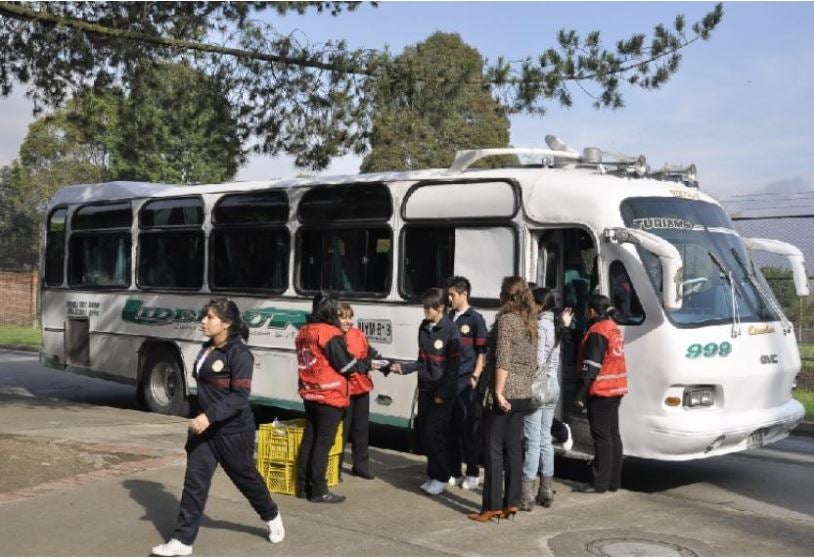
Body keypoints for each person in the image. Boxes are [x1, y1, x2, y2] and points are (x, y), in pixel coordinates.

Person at [151, 298, 284, 557]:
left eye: (210, 317)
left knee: (245, 478)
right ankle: (182, 540)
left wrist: (209, 416)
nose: (203, 321)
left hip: (233, 431)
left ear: (226, 323)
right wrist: (201, 418)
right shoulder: (206, 349)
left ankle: (271, 514)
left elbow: (240, 397)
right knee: (194, 483)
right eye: (204, 316)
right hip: (205, 432)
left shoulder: (239, 354)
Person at [468, 277, 538, 523]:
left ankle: (492, 506)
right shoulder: (530, 321)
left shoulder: (507, 320)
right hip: (523, 393)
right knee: (514, 448)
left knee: (493, 449)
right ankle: (512, 502)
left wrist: (497, 392)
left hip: (505, 393)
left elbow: (502, 360)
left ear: (506, 296)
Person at [296, 294, 366, 503]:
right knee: (323, 443)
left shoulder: (304, 330)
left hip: (310, 392)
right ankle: (319, 490)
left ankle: (302, 486)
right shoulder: (329, 332)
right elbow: (345, 365)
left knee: (309, 440)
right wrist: (366, 365)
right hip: (329, 395)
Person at [390, 288, 461, 496]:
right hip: (425, 388)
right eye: (424, 307)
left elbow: (453, 368)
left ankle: (442, 476)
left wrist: (443, 392)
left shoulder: (451, 330)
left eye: (429, 307)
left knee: (434, 432)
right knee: (425, 432)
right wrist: (405, 368)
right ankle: (432, 474)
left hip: (441, 391)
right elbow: (422, 360)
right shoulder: (424, 327)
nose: (425, 311)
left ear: (440, 308)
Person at [520, 287, 573, 511]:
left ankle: (526, 496)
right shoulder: (557, 324)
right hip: (553, 385)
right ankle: (546, 490)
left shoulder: (541, 326)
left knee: (532, 441)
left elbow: (538, 361)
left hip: (539, 386)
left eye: (531, 301)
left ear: (540, 304)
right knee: (545, 439)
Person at [574, 294, 628, 494]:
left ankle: (599, 482)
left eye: (586, 309)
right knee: (613, 435)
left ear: (591, 310)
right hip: (617, 387)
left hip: (601, 390)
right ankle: (613, 481)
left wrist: (580, 394)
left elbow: (591, 366)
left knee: (601, 437)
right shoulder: (613, 327)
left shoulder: (597, 331)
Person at [446, 276, 489, 490]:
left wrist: (475, 376)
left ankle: (472, 472)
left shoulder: (475, 319)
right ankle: (455, 471)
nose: (449, 298)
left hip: (466, 382)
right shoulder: (449, 317)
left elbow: (482, 351)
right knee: (451, 428)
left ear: (464, 294)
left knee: (468, 429)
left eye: (452, 294)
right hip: (449, 382)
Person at [337, 301, 387, 480]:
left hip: (362, 388)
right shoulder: (334, 338)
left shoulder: (358, 334)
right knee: (342, 431)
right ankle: (335, 468)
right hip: (344, 390)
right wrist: (367, 364)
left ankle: (361, 466)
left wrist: (385, 364)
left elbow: (370, 352)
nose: (348, 321)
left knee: (361, 429)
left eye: (350, 317)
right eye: (344, 318)